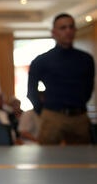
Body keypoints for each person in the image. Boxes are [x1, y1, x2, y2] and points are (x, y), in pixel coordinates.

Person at [28, 13, 95, 145]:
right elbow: (31, 90)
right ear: (54, 32)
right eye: (63, 28)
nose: (68, 31)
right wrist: (42, 110)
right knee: (48, 158)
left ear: (75, 30)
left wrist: (79, 104)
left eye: (71, 27)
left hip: (80, 116)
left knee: (82, 159)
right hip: (52, 116)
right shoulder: (42, 60)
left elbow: (88, 87)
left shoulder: (86, 59)